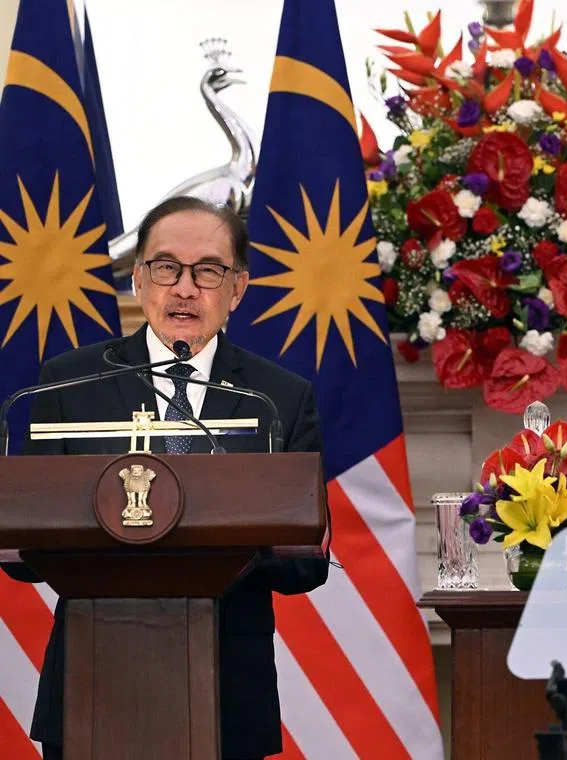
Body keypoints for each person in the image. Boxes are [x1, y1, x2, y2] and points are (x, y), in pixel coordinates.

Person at [1, 196, 329, 760]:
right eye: (166, 267)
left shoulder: (278, 397)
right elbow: (25, 554)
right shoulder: (68, 384)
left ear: (237, 290)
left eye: (207, 271)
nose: (184, 288)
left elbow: (304, 565)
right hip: (92, 678)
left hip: (229, 687)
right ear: (137, 279)